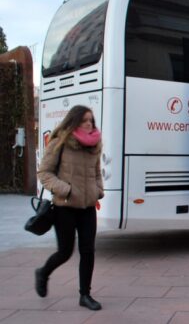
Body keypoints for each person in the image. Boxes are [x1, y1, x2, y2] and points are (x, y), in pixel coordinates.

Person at [35, 105, 104, 311]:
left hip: (88, 207)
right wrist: (65, 189)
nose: (89, 124)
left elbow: (96, 172)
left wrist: (98, 190)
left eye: (91, 120)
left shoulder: (94, 145)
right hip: (64, 207)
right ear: (74, 121)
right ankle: (43, 272)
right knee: (65, 252)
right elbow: (44, 173)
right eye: (84, 120)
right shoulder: (60, 142)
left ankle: (85, 295)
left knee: (88, 251)